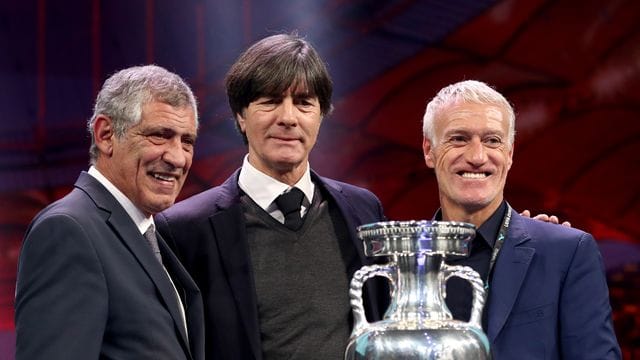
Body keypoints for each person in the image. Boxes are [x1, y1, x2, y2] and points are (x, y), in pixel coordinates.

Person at [155, 33, 389, 360]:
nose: (288, 118)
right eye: (270, 101)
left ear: (321, 115)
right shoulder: (183, 230)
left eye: (304, 102)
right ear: (240, 115)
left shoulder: (363, 209)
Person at [15, 65, 204, 360]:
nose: (177, 157)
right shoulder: (68, 230)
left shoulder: (153, 235)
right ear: (105, 135)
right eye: (159, 135)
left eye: (187, 141)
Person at [421, 79, 621, 359]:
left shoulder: (565, 254)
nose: (477, 156)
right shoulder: (397, 260)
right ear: (429, 151)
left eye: (492, 140)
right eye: (459, 139)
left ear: (510, 153)